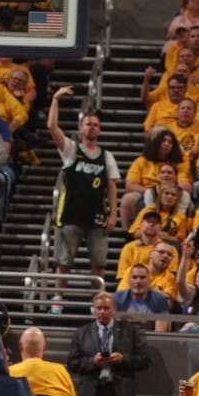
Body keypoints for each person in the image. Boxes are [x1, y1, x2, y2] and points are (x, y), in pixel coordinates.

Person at [48, 88, 120, 306]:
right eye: (88, 123)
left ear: (100, 130)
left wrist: (113, 215)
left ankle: (97, 303)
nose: (92, 127)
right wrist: (55, 99)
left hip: (97, 217)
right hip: (72, 215)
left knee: (98, 265)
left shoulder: (106, 156)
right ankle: (58, 299)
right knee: (64, 262)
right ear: (81, 128)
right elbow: (52, 127)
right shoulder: (71, 149)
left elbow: (112, 186)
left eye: (96, 124)